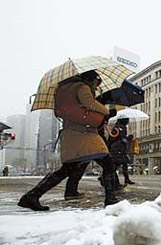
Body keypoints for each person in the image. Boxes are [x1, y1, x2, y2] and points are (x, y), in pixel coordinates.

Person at [18, 71, 119, 211]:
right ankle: (111, 200)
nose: (96, 87)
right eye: (96, 83)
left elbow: (71, 110)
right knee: (108, 163)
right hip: (85, 134)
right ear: (91, 80)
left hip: (70, 133)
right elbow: (89, 103)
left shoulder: (62, 90)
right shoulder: (82, 87)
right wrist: (106, 112)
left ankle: (31, 196)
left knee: (66, 169)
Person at [108, 118, 135, 186]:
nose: (128, 121)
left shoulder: (121, 127)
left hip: (120, 149)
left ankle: (126, 179)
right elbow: (117, 138)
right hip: (117, 150)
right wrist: (127, 138)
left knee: (124, 164)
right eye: (127, 120)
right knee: (116, 165)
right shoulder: (119, 128)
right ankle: (108, 179)